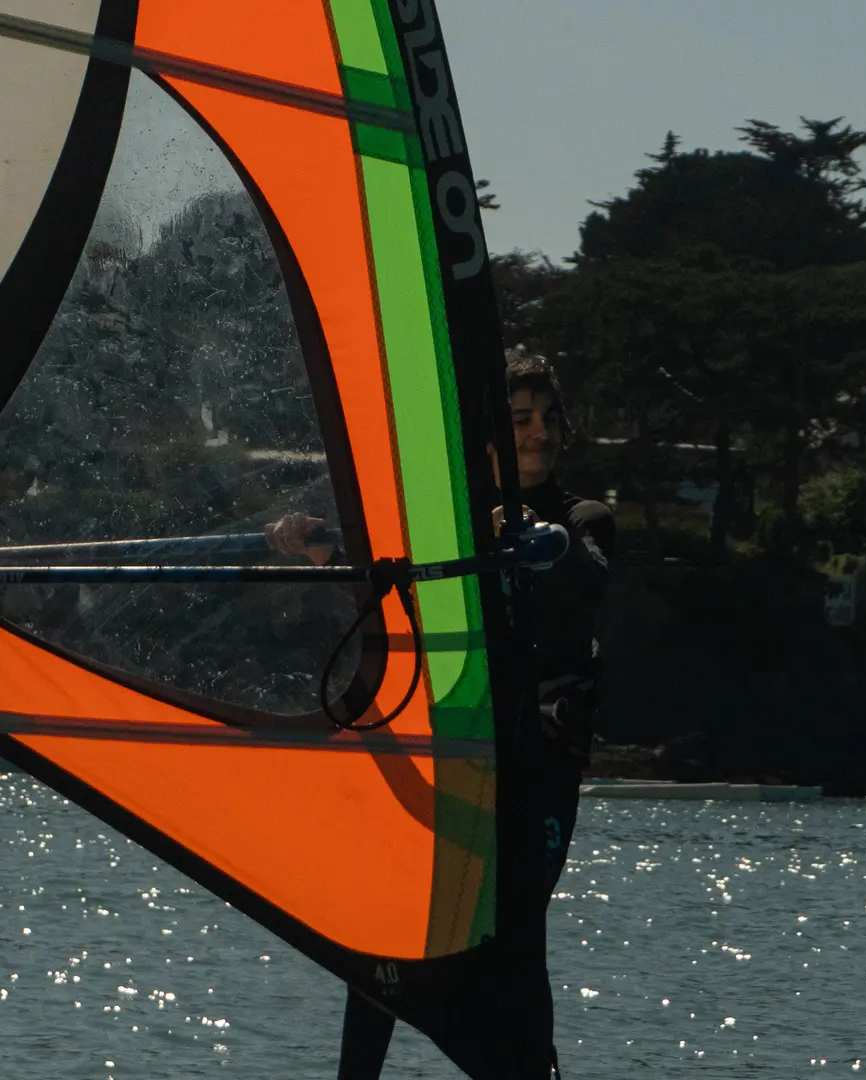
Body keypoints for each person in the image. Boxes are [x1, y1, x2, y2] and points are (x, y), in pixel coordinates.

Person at [269, 351, 613, 1079]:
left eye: (550, 419)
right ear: (488, 440)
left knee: (515, 945)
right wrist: (315, 542)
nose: (539, 434)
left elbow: (590, 578)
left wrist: (534, 538)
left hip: (538, 771)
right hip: (457, 757)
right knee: (391, 930)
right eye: (521, 420)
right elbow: (384, 570)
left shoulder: (582, 518)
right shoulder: (449, 524)